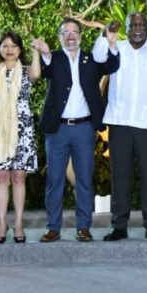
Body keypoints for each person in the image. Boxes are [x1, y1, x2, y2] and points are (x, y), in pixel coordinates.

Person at [36, 19, 119, 243]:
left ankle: (84, 227)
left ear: (81, 36)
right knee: (54, 180)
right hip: (57, 130)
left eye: (74, 32)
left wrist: (112, 44)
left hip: (84, 128)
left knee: (84, 179)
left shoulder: (91, 59)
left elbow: (111, 66)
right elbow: (45, 70)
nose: (71, 36)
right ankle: (53, 227)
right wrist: (44, 53)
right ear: (59, 36)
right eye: (66, 32)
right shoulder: (53, 57)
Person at [97, 12, 147, 242]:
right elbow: (98, 56)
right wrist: (105, 35)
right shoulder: (118, 48)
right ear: (127, 28)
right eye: (133, 25)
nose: (138, 28)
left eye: (142, 24)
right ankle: (119, 226)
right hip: (120, 123)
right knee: (120, 177)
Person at [0, 32, 42, 244]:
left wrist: (36, 51)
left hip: (22, 129)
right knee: (2, 176)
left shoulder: (27, 70)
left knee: (19, 177)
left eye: (14, 46)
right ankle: (2, 223)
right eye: (5, 46)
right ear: (0, 49)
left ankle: (19, 224)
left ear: (20, 50)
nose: (9, 50)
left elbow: (37, 74)